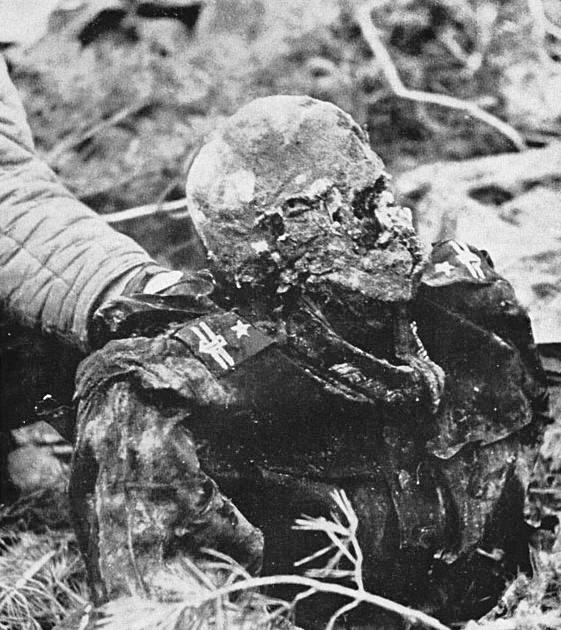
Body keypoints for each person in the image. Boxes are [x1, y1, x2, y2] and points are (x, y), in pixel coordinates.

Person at [0, 55, 550, 626]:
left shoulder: (468, 310)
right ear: (274, 249)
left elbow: (9, 182)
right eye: (344, 209)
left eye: (381, 193)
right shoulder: (169, 398)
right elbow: (173, 611)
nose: (395, 222)